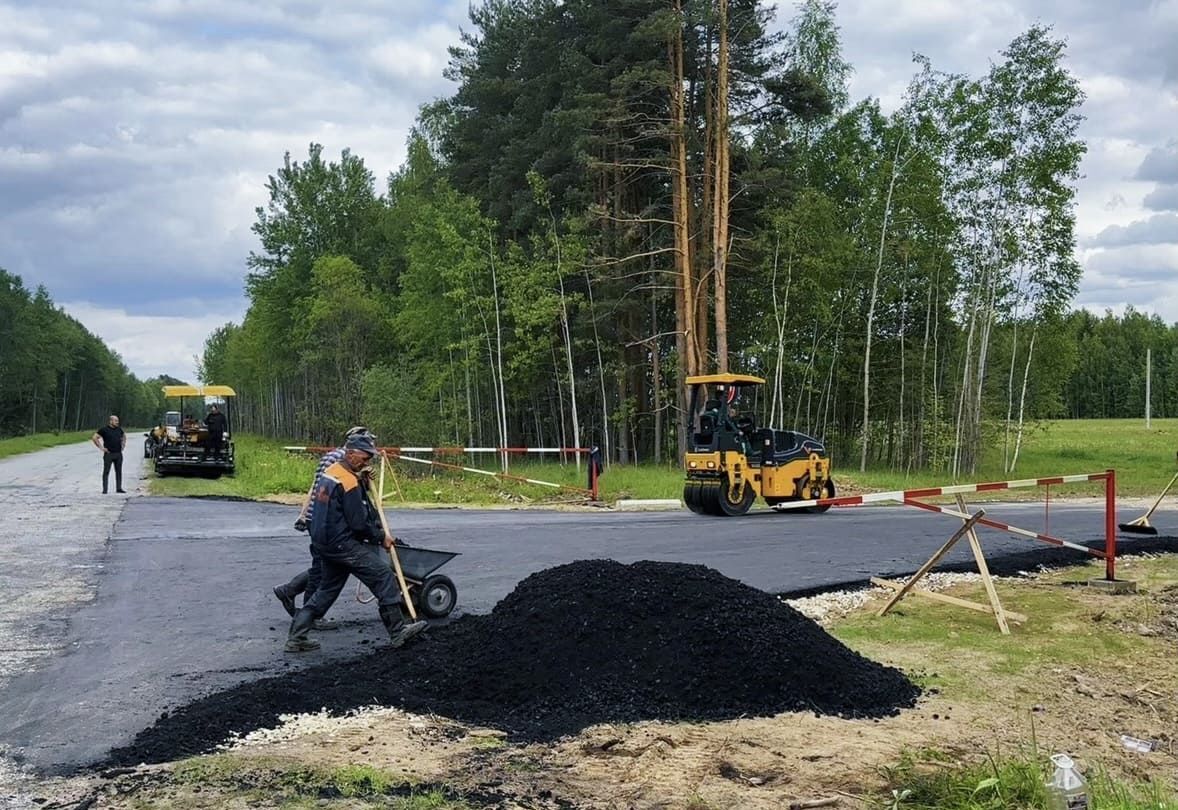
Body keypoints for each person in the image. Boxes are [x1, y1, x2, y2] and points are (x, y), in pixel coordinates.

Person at [285, 433, 427, 652]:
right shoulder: (349, 482)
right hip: (342, 544)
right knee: (383, 576)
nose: (367, 462)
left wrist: (362, 478)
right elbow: (358, 523)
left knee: (326, 591)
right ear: (350, 453)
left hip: (324, 541)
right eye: (364, 458)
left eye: (370, 459)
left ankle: (296, 638)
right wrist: (381, 537)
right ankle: (398, 632)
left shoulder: (332, 472)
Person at [273, 426, 373, 623]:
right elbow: (329, 490)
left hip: (320, 516)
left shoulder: (334, 457)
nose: (371, 449)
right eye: (368, 443)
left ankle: (289, 591)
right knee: (322, 570)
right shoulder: (338, 461)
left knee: (322, 566)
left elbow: (315, 485)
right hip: (324, 519)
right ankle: (307, 614)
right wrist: (305, 515)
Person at [92, 415, 127, 494]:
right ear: (111, 421)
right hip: (109, 454)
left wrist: (123, 444)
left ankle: (119, 488)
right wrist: (101, 447)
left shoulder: (119, 429)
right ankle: (105, 489)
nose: (117, 422)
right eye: (116, 421)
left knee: (118, 471)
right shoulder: (104, 430)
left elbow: (124, 436)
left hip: (118, 453)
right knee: (106, 472)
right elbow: (94, 437)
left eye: (117, 421)